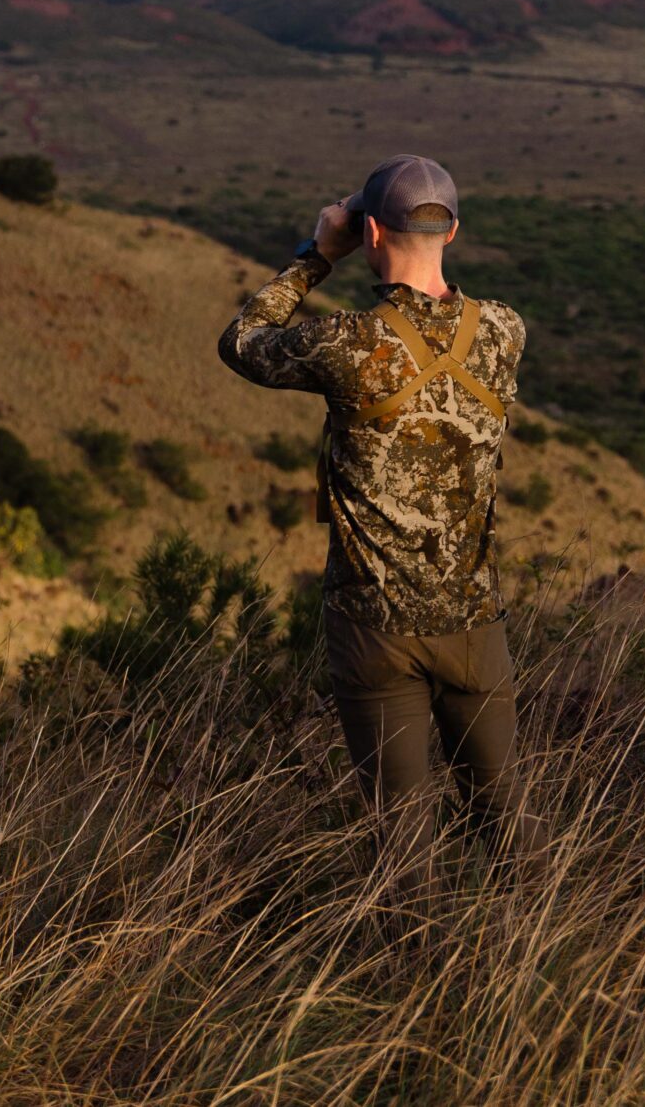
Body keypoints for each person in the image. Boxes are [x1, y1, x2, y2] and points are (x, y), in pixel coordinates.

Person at [217, 154, 530, 839]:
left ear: (373, 234)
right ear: (452, 232)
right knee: (509, 829)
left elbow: (242, 342)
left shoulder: (347, 342)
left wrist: (316, 254)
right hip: (474, 617)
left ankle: (415, 951)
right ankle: (529, 943)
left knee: (399, 843)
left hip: (374, 625)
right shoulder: (505, 332)